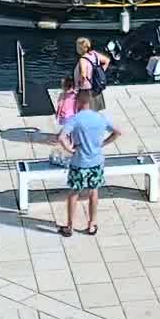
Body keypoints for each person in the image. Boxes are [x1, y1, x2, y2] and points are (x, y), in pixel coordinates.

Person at [55, 91, 120, 237]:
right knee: (93, 192)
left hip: (79, 162)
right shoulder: (100, 117)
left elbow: (61, 137)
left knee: (74, 193)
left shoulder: (75, 119)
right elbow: (117, 132)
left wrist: (70, 149)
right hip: (96, 161)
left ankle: (70, 227)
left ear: (77, 102)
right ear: (90, 102)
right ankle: (91, 224)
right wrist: (102, 144)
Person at [73, 37, 111, 110]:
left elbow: (83, 74)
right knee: (94, 108)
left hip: (86, 88)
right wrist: (101, 71)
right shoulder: (94, 54)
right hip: (96, 85)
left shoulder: (83, 59)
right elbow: (107, 60)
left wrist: (78, 86)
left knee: (85, 109)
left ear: (80, 48)